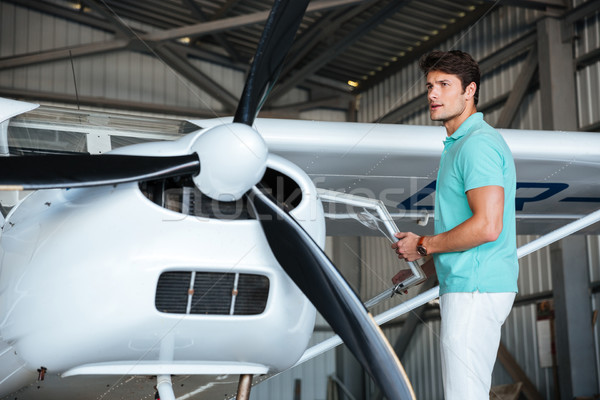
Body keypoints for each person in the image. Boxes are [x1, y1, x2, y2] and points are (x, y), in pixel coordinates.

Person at [391, 50, 518, 399]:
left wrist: (422, 244)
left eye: (445, 84)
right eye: (430, 85)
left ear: (469, 91)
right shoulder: (458, 145)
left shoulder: (476, 145)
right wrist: (426, 266)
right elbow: (468, 229)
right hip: (467, 285)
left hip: (475, 290)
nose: (432, 94)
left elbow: (487, 227)